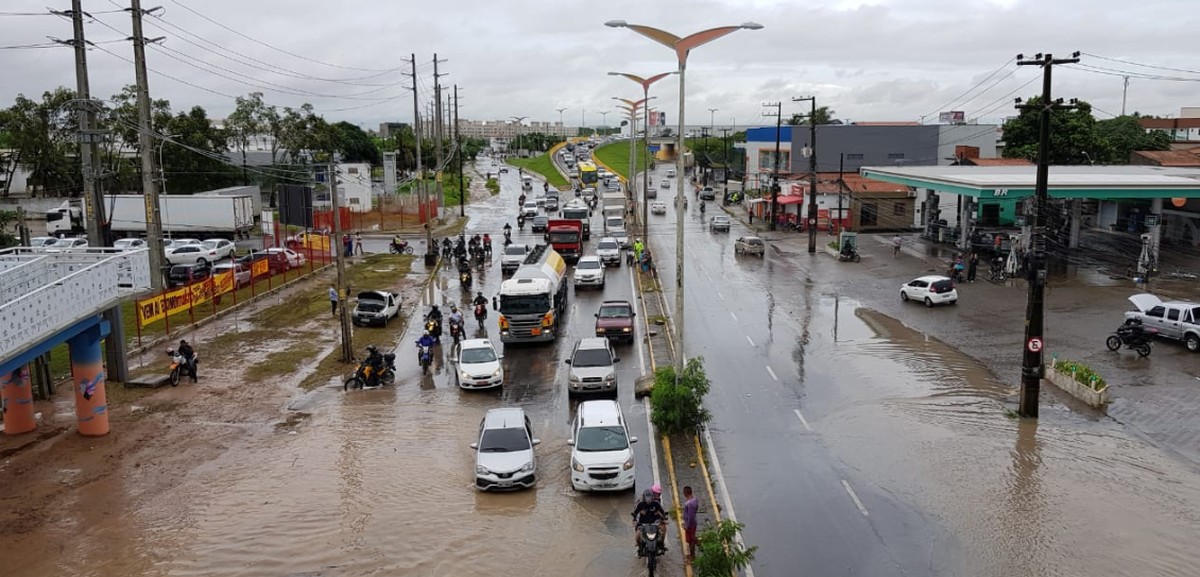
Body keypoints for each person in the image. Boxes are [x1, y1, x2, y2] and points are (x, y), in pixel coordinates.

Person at [632, 488, 668, 556]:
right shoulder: (640, 504)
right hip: (643, 524)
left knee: (663, 530)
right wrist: (634, 520)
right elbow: (635, 513)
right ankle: (640, 548)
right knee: (637, 536)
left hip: (655, 523)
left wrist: (665, 518)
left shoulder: (656, 503)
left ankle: (662, 545)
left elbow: (663, 511)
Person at [683, 485, 699, 562]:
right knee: (691, 539)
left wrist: (687, 525)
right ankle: (692, 554)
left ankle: (692, 556)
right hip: (693, 523)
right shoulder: (695, 499)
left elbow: (690, 517)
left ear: (685, 494)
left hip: (690, 525)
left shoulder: (689, 504)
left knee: (691, 540)